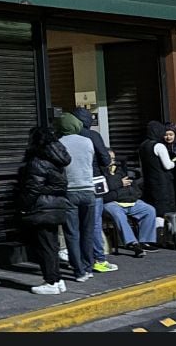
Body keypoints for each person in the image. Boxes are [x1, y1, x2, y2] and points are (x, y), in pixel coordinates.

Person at [18, 125, 73, 295]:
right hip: (56, 207)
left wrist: (24, 207)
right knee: (52, 245)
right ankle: (57, 279)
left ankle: (51, 281)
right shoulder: (57, 160)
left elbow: (33, 189)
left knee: (45, 247)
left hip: (42, 209)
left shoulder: (37, 161)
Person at [56, 112, 100, 282]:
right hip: (89, 191)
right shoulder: (87, 141)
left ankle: (79, 271)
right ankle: (88, 266)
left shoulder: (59, 143)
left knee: (72, 233)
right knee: (87, 231)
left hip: (70, 192)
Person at [72, 106, 115, 274]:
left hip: (73, 185)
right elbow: (105, 159)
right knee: (94, 222)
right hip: (93, 183)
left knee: (76, 225)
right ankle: (99, 258)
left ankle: (81, 260)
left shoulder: (66, 137)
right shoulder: (93, 136)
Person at [101, 149, 159, 257]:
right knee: (118, 214)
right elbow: (105, 190)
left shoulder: (119, 170)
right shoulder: (99, 171)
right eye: (110, 159)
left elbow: (129, 185)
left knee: (149, 210)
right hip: (112, 202)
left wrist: (135, 193)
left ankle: (145, 241)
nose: (112, 161)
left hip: (128, 199)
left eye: (114, 159)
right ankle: (132, 243)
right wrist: (119, 184)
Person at [138, 121, 176, 220]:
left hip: (149, 182)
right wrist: (174, 162)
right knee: (165, 210)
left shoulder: (142, 146)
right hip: (162, 184)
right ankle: (166, 233)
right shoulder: (159, 146)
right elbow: (167, 165)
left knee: (153, 210)